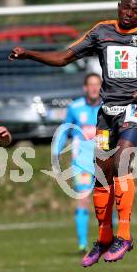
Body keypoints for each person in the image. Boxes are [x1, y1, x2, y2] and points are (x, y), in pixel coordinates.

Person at [9, 0, 137, 264]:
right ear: (119, 6)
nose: (129, 12)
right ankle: (104, 238)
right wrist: (29, 53)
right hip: (107, 112)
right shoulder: (101, 31)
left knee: (121, 162)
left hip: (136, 109)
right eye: (126, 6)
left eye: (136, 10)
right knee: (101, 173)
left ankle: (125, 235)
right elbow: (64, 56)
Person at [53, 73, 105, 254]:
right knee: (83, 200)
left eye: (97, 84)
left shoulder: (108, 108)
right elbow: (63, 131)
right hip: (82, 163)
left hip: (104, 161)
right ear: (85, 87)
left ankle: (109, 240)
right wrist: (55, 152)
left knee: (107, 201)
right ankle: (83, 245)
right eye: (90, 85)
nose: (93, 88)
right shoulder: (75, 108)